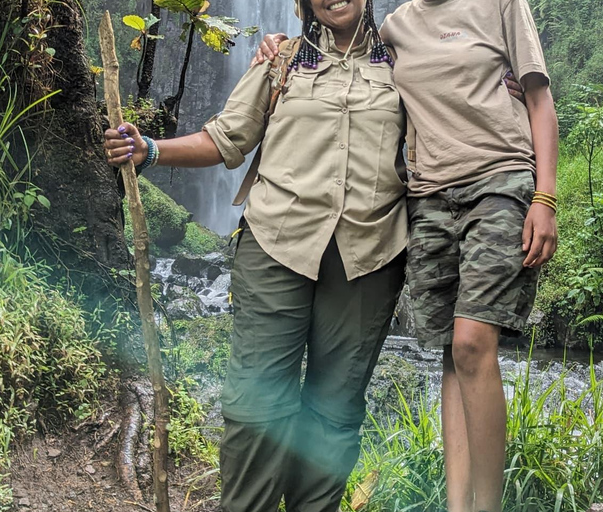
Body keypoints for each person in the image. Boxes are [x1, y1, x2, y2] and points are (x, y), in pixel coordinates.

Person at [254, 0, 559, 510]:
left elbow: (538, 97)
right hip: (428, 197)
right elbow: (343, 56)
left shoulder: (501, 4)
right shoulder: (394, 26)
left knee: (471, 343)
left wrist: (545, 198)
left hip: (499, 182)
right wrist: (276, 47)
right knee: (449, 354)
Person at [104, 0, 409, 510]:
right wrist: (149, 150)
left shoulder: (403, 63)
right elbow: (225, 139)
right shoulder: (280, 60)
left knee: (335, 410)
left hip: (370, 254)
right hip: (277, 244)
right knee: (256, 405)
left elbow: (455, 97)